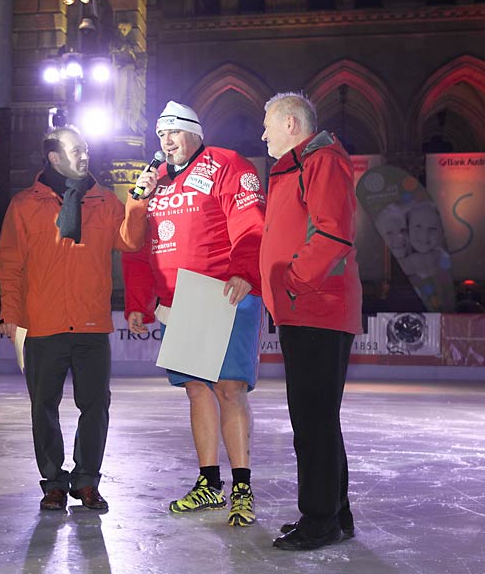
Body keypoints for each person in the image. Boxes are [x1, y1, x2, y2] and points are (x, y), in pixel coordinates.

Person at [0, 126, 157, 511]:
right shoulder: (25, 204)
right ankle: (53, 482)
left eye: (86, 149)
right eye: (75, 150)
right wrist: (10, 313)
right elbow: (10, 263)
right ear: (54, 157)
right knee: (43, 407)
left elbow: (130, 241)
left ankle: (86, 480)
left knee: (95, 406)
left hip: (91, 324)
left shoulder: (105, 200)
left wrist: (137, 203)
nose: (84, 155)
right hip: (43, 323)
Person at [123, 101, 265, 527]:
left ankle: (242, 487)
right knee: (196, 390)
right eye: (161, 135)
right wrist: (138, 301)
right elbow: (136, 248)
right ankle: (209, 482)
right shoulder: (156, 182)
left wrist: (245, 270)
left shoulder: (227, 164)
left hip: (224, 293)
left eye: (174, 132)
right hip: (180, 302)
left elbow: (251, 222)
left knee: (229, 389)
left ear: (195, 133)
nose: (166, 141)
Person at [259, 92, 362, 550]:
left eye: (267, 124)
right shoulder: (300, 165)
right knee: (319, 418)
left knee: (313, 421)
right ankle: (335, 512)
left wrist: (293, 283)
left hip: (316, 306)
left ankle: (319, 520)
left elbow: (333, 233)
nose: (262, 134)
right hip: (306, 308)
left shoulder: (321, 160)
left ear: (290, 123)